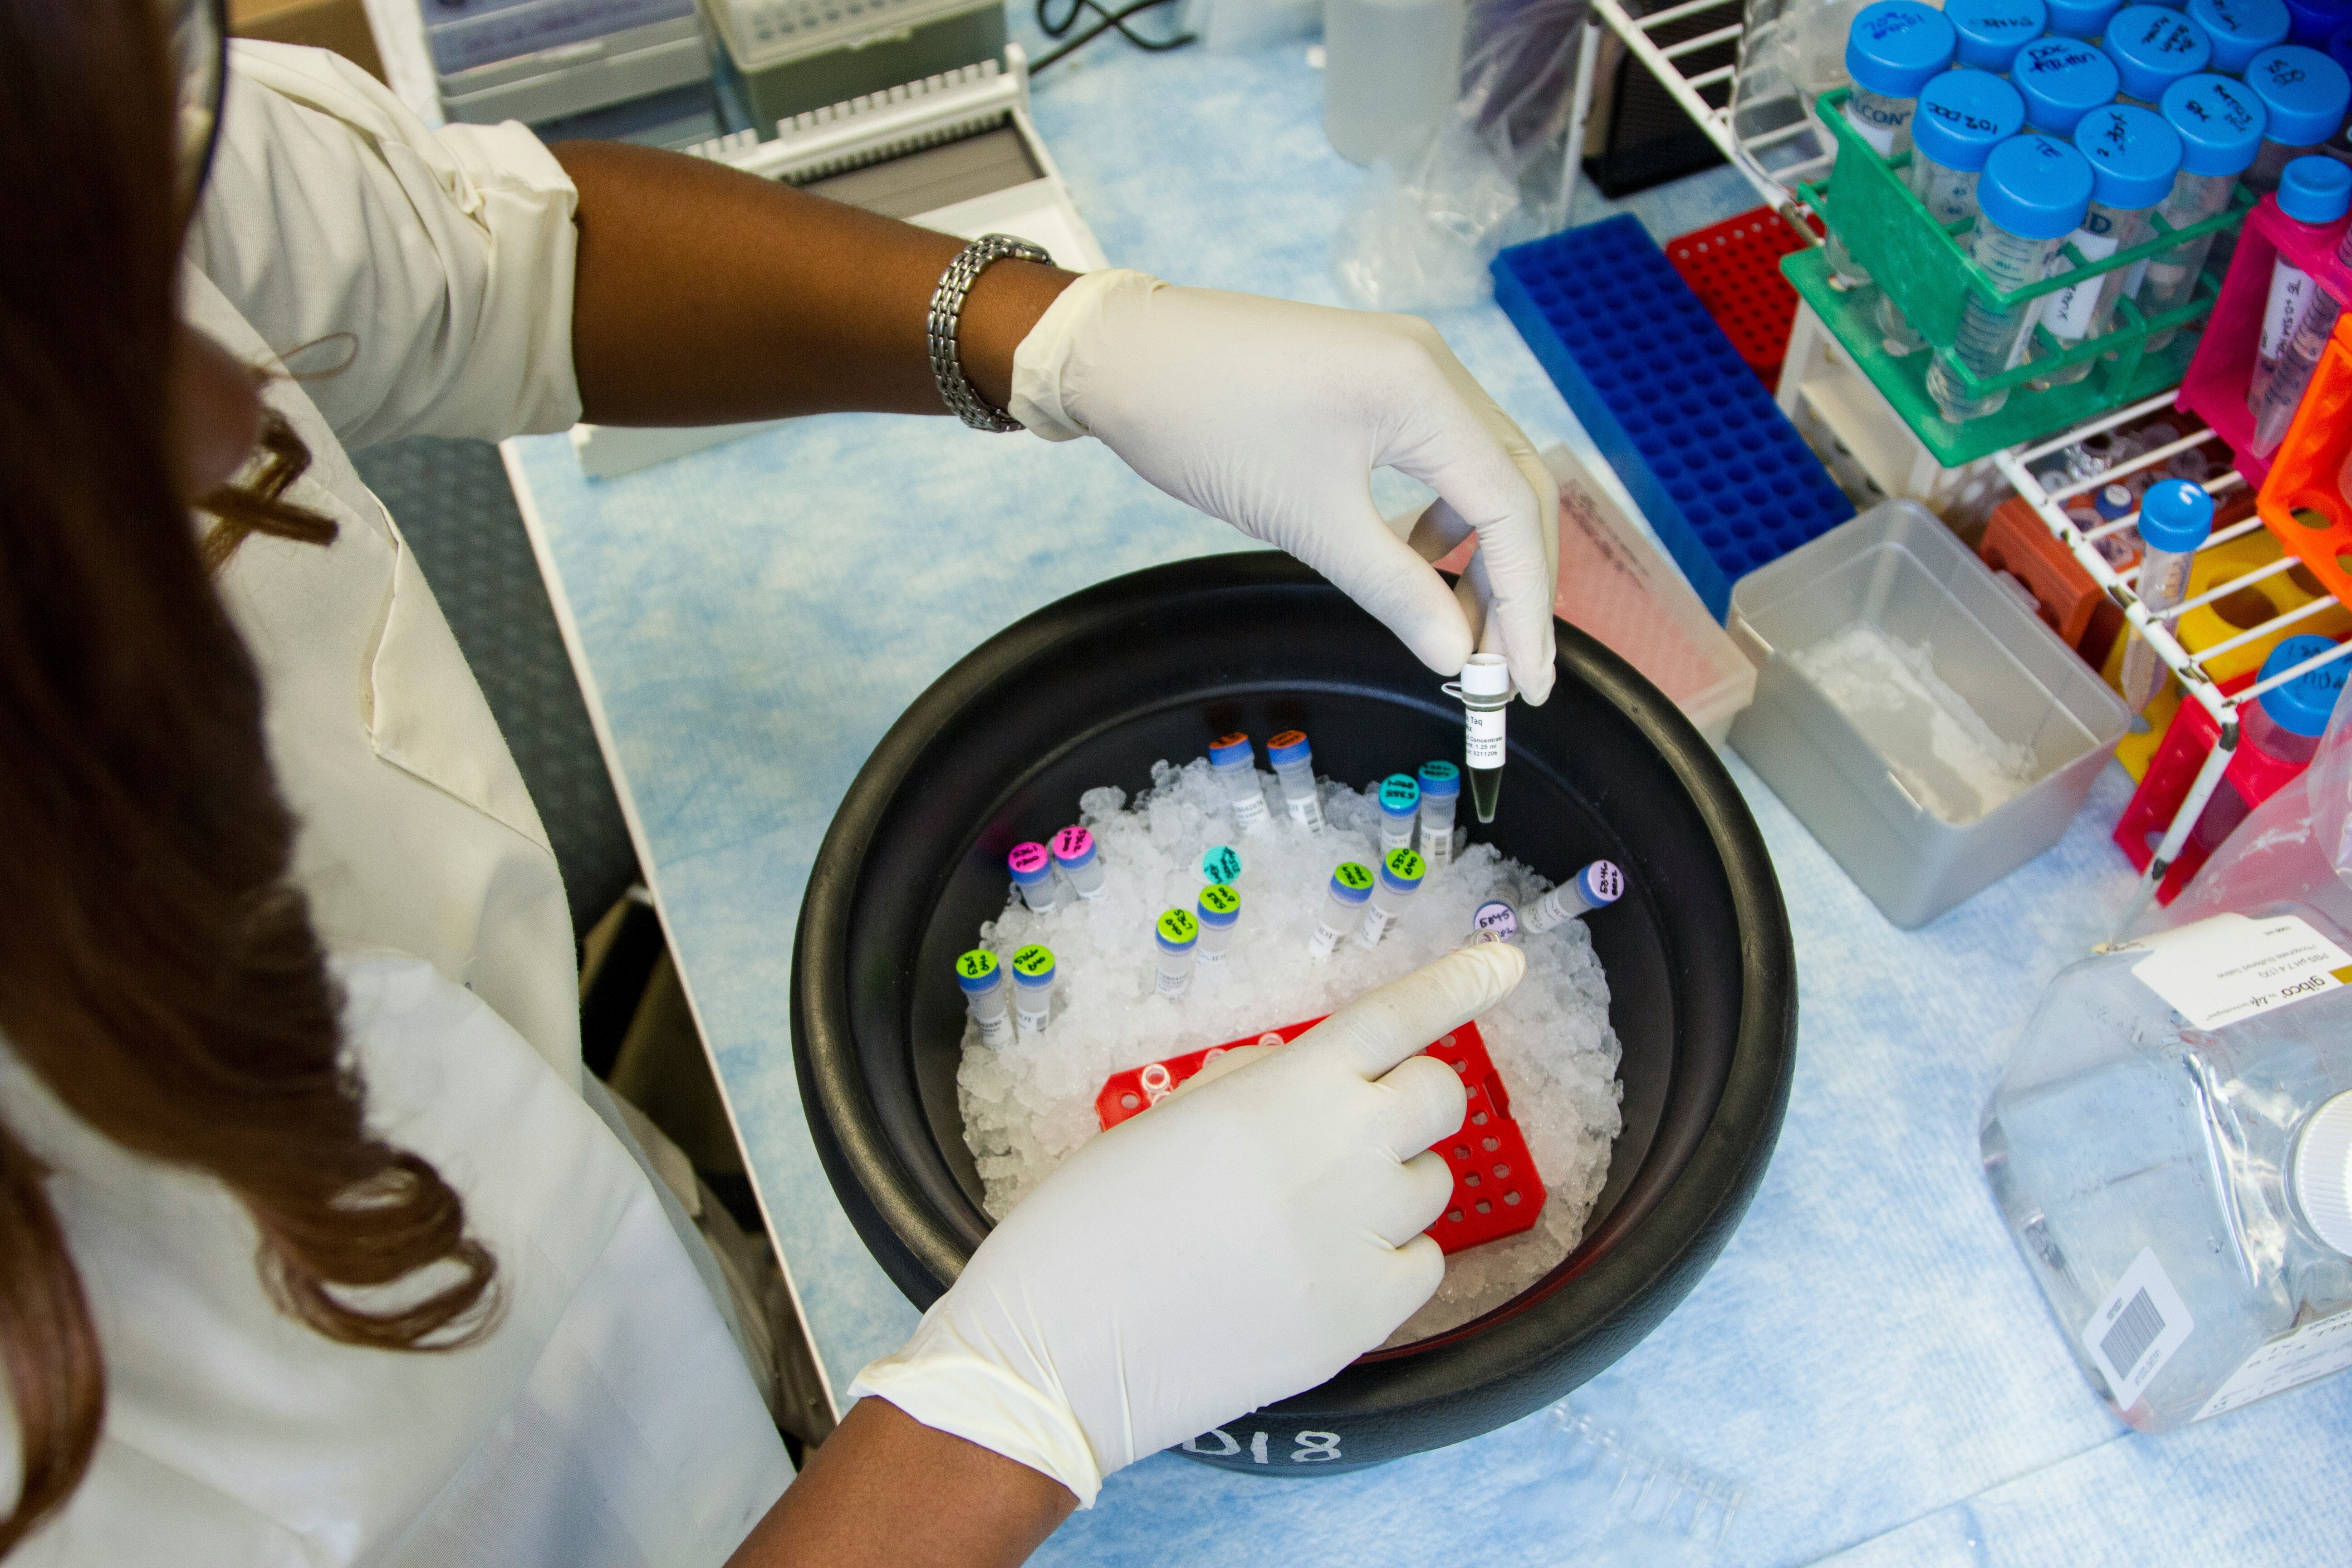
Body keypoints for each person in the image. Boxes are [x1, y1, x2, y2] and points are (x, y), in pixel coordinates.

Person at [0, 2, 1558, 1563]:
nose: (240, 406)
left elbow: (490, 261)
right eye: (69, 381)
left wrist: (1065, 336)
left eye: (155, 268)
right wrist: (1008, 1418)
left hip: (585, 1239)